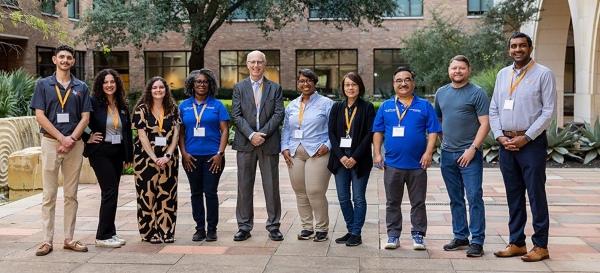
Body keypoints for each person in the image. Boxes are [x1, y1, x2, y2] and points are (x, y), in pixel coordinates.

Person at [490, 32, 556, 262]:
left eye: (522, 46)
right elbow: (494, 109)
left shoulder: (544, 74)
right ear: (509, 49)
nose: (517, 49)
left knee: (536, 194)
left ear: (530, 47)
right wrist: (499, 136)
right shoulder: (502, 75)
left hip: (531, 145)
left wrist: (526, 137)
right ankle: (517, 242)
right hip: (506, 144)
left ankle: (541, 246)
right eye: (514, 46)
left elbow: (548, 112)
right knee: (513, 195)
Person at [30, 44, 92, 256]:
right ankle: (47, 241)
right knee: (48, 194)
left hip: (74, 145)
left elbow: (85, 117)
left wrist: (72, 138)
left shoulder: (81, 87)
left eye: (69, 58)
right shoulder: (43, 85)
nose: (65, 60)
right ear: (55, 59)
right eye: (62, 57)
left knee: (71, 194)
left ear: (73, 62)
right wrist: (60, 138)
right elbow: (39, 115)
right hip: (50, 143)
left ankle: (69, 238)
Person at [373, 66, 441, 251]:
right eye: (399, 80)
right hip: (392, 164)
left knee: (418, 202)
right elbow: (378, 131)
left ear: (413, 82)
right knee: (392, 202)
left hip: (418, 164)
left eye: (407, 79)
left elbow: (434, 131)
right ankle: (393, 235)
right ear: (394, 83)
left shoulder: (424, 105)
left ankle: (418, 235)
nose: (403, 83)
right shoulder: (386, 107)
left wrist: (428, 153)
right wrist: (378, 153)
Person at [435, 55, 490, 257]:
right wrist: (444, 143)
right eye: (454, 68)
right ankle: (460, 236)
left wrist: (472, 149)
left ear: (469, 70)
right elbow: (439, 120)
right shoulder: (441, 93)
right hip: (448, 155)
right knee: (455, 198)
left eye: (461, 68)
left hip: (470, 154)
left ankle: (477, 241)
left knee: (474, 196)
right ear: (449, 70)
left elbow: (485, 123)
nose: (457, 71)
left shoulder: (477, 93)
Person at [231, 50, 285, 241]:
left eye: (259, 62)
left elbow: (279, 114)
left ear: (265, 64)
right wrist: (251, 134)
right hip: (245, 143)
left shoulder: (275, 88)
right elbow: (236, 114)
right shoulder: (239, 87)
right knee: (244, 185)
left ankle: (273, 226)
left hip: (268, 143)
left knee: (271, 185)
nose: (256, 66)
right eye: (252, 62)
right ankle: (244, 226)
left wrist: (262, 133)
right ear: (247, 65)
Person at [281, 69, 334, 242]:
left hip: (318, 153)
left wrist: (328, 145)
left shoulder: (326, 103)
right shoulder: (292, 105)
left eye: (309, 80)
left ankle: (321, 228)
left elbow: (335, 129)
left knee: (315, 191)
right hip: (295, 152)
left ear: (315, 83)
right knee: (300, 192)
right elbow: (287, 129)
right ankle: (307, 227)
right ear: (298, 83)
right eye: (302, 81)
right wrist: (284, 147)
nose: (305, 84)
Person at [178, 69, 229, 242]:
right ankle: (199, 228)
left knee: (210, 192)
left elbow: (224, 130)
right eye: (198, 82)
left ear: (210, 85)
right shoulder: (183, 106)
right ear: (192, 85)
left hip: (213, 157)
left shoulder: (218, 105)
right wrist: (183, 153)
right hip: (191, 158)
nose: (201, 84)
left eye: (205, 82)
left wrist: (219, 154)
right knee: (195, 193)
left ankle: (212, 229)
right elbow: (181, 133)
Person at [83, 69, 133, 248]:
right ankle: (103, 236)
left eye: (112, 82)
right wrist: (87, 136)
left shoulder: (121, 104)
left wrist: (129, 155)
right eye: (105, 82)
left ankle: (110, 232)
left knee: (112, 193)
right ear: (100, 85)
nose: (109, 85)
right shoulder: (93, 102)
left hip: (117, 152)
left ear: (117, 84)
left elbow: (126, 131)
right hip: (100, 152)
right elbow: (81, 122)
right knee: (109, 191)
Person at [327, 72, 375, 247]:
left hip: (359, 160)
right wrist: (341, 157)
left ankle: (356, 233)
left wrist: (354, 157)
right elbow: (331, 133)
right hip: (339, 160)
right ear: (343, 88)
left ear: (359, 87)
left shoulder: (367, 107)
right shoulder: (337, 107)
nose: (350, 88)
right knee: (343, 197)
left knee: (359, 197)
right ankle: (351, 229)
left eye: (353, 84)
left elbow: (369, 134)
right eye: (347, 85)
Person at [132, 76, 180, 244]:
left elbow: (176, 134)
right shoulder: (141, 109)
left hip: (169, 160)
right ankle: (148, 232)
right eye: (155, 88)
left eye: (161, 87)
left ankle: (166, 231)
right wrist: (154, 157)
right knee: (147, 195)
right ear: (149, 90)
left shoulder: (173, 108)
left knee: (167, 196)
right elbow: (142, 136)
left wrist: (167, 155)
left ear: (166, 90)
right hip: (145, 160)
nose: (158, 90)